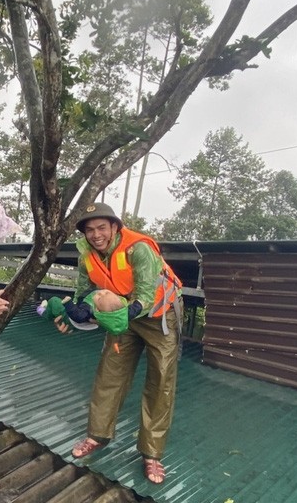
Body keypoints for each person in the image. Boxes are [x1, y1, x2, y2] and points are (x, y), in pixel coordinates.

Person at [55, 203, 183, 484]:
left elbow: (145, 295)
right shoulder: (86, 255)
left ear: (115, 226)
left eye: (102, 227)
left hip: (158, 314)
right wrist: (77, 312)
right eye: (90, 230)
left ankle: (151, 453)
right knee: (110, 372)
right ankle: (97, 435)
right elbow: (84, 291)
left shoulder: (138, 249)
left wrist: (121, 314)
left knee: (161, 380)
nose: (96, 234)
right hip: (122, 313)